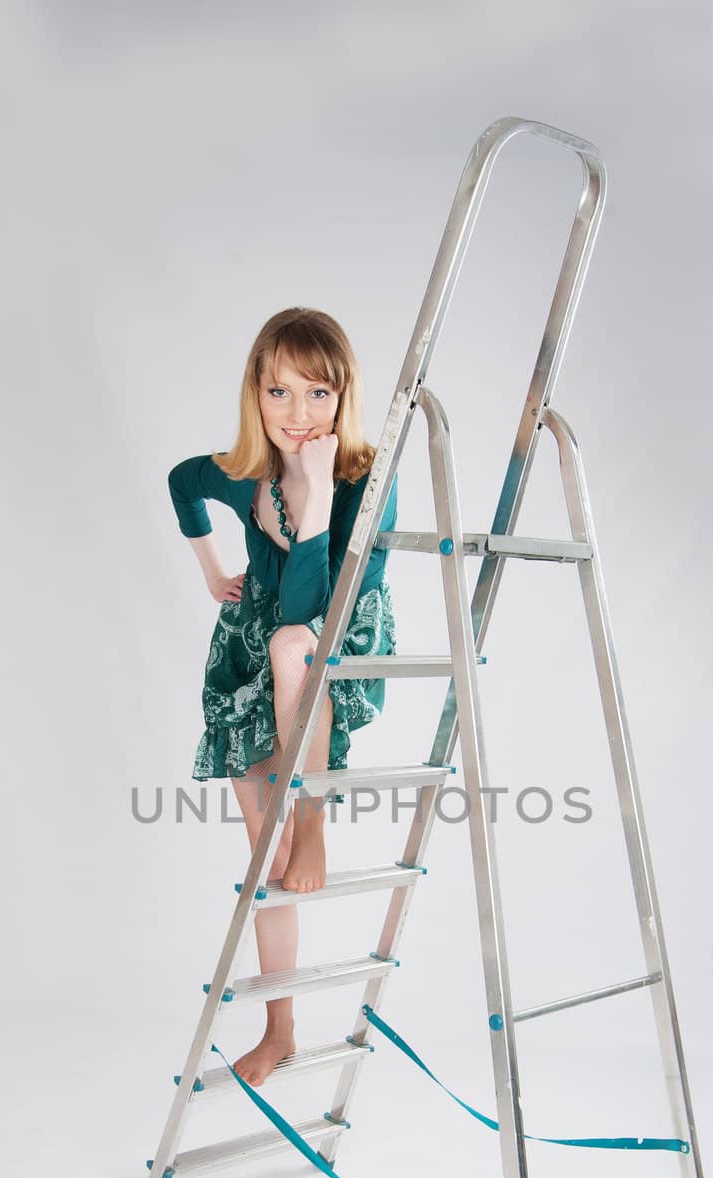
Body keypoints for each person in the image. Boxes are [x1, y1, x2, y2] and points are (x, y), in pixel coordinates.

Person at [168, 307, 399, 1087]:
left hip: (332, 642)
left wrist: (316, 496)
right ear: (254, 396)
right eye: (278, 393)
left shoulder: (368, 480)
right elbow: (181, 481)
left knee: (292, 643)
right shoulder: (245, 473)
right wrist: (210, 571)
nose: (298, 416)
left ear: (344, 400)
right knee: (264, 862)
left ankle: (316, 823)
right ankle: (280, 1031)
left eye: (318, 395)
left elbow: (313, 614)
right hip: (253, 657)